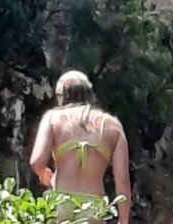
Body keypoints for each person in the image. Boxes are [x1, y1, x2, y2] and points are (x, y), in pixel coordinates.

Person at [30, 70, 132, 224]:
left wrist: (43, 173)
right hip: (93, 208)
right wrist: (123, 221)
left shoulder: (52, 118)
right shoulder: (113, 126)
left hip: (59, 203)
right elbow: (122, 180)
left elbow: (37, 161)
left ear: (62, 96)